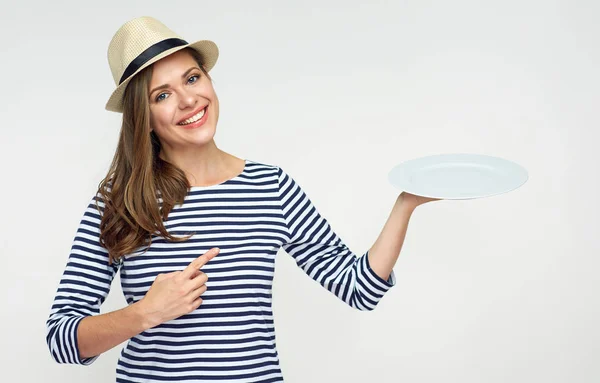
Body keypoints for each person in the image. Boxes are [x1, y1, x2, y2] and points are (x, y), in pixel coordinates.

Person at [45, 16, 440, 382]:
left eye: (193, 78)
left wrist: (406, 203)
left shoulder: (271, 186)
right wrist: (146, 313)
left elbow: (360, 289)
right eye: (162, 95)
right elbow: (60, 338)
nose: (187, 100)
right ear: (142, 116)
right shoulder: (122, 200)